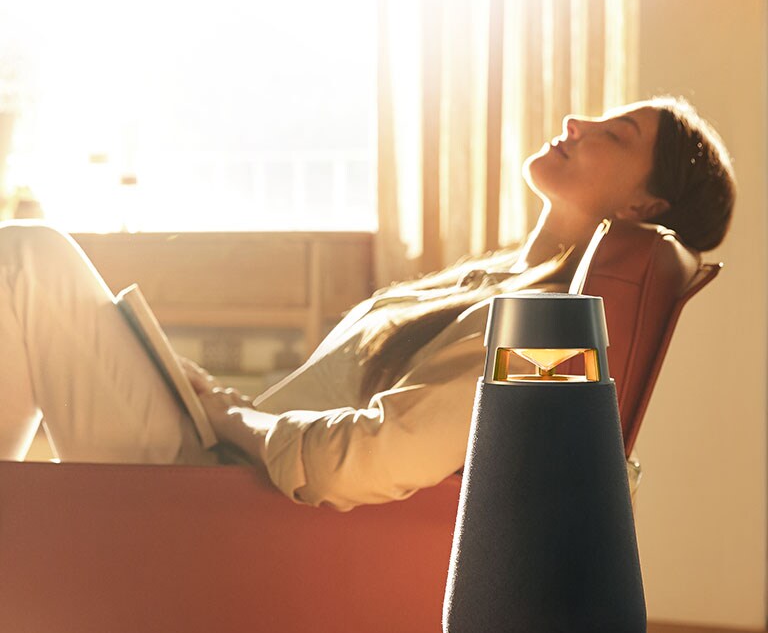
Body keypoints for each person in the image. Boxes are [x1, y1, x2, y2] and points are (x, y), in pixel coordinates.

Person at [0, 96, 735, 510]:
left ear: (646, 202)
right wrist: (221, 402)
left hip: (222, 502)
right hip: (220, 461)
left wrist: (228, 412)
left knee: (28, 260)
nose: (578, 121)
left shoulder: (544, 341)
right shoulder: (489, 285)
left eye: (616, 133)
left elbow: (364, 457)